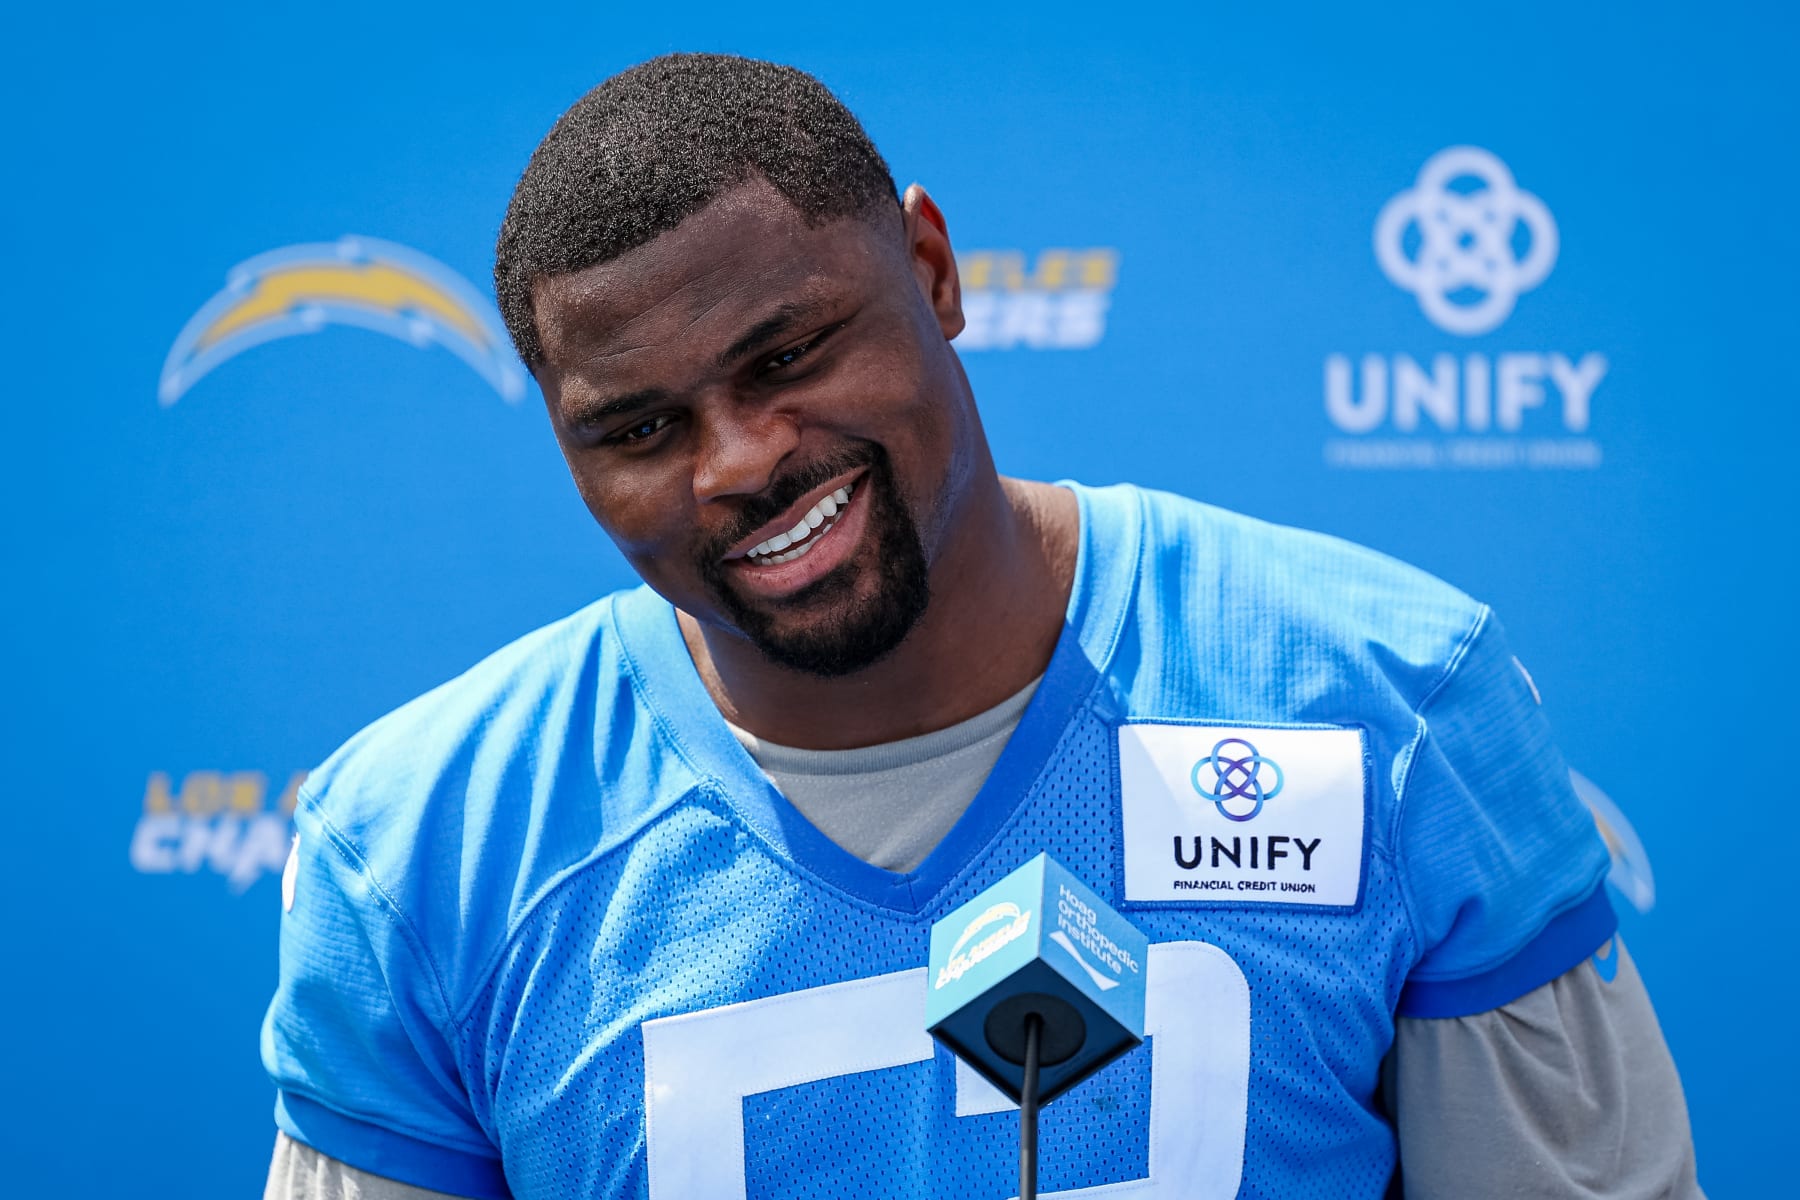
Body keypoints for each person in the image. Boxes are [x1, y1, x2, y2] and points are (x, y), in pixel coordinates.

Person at [261, 53, 1702, 1200]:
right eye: (640, 427)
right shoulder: (420, 846)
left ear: (935, 273)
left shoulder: (1391, 702)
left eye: (788, 355)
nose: (740, 461)